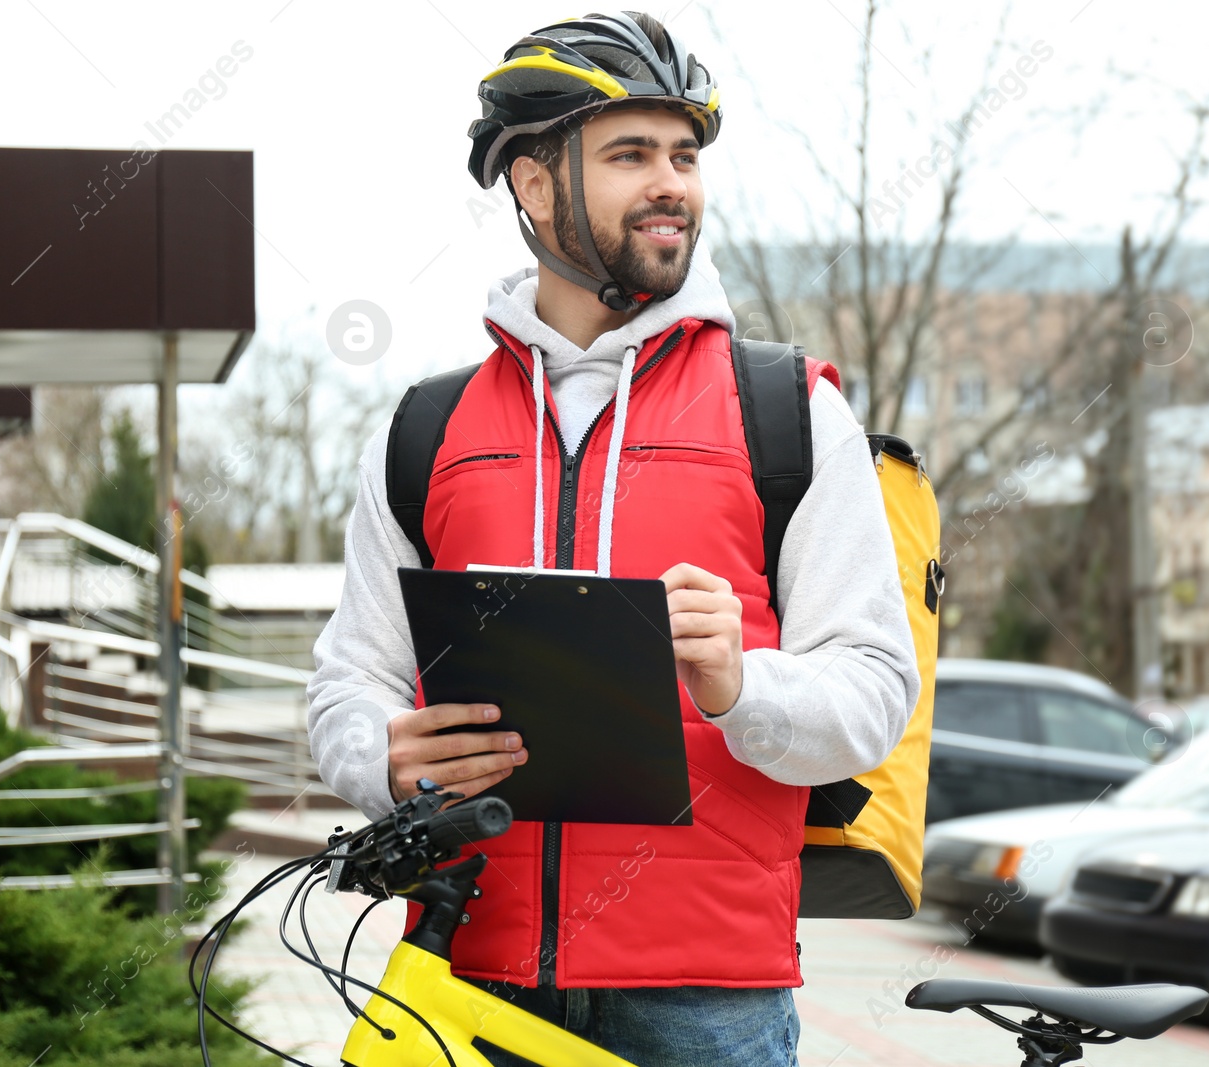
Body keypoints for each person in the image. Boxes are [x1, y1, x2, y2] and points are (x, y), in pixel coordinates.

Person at [307, 11, 920, 1065]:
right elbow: (346, 684)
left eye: (682, 155)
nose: (671, 182)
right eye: (630, 154)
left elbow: (872, 695)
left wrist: (741, 682)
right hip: (465, 963)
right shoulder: (424, 430)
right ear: (534, 184)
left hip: (703, 998)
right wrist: (380, 754)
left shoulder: (785, 411)